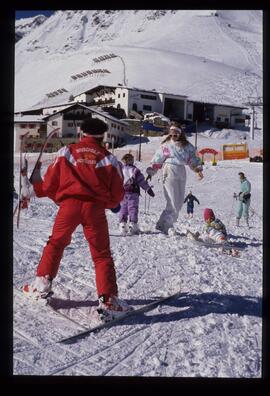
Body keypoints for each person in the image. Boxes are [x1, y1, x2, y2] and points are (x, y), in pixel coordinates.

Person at [23, 117, 133, 320]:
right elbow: (117, 194)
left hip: (69, 207)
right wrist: (106, 203)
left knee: (56, 243)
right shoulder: (109, 159)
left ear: (81, 133)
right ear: (103, 136)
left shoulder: (66, 152)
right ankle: (108, 300)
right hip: (94, 209)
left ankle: (41, 286)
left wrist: (37, 191)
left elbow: (49, 184)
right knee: (101, 254)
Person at [146, 122, 203, 235]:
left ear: (180, 133)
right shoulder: (166, 145)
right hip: (169, 170)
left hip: (181, 171)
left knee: (180, 201)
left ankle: (161, 223)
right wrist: (151, 171)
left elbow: (193, 158)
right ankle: (167, 225)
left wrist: (198, 169)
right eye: (172, 133)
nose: (174, 135)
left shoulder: (187, 146)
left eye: (176, 133)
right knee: (173, 201)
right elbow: (158, 159)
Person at [119, 153, 155, 235]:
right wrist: (148, 189)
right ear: (131, 161)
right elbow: (141, 181)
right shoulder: (135, 171)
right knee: (133, 208)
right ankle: (133, 224)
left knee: (123, 208)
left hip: (123, 193)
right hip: (133, 193)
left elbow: (116, 181)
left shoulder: (121, 170)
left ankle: (122, 225)